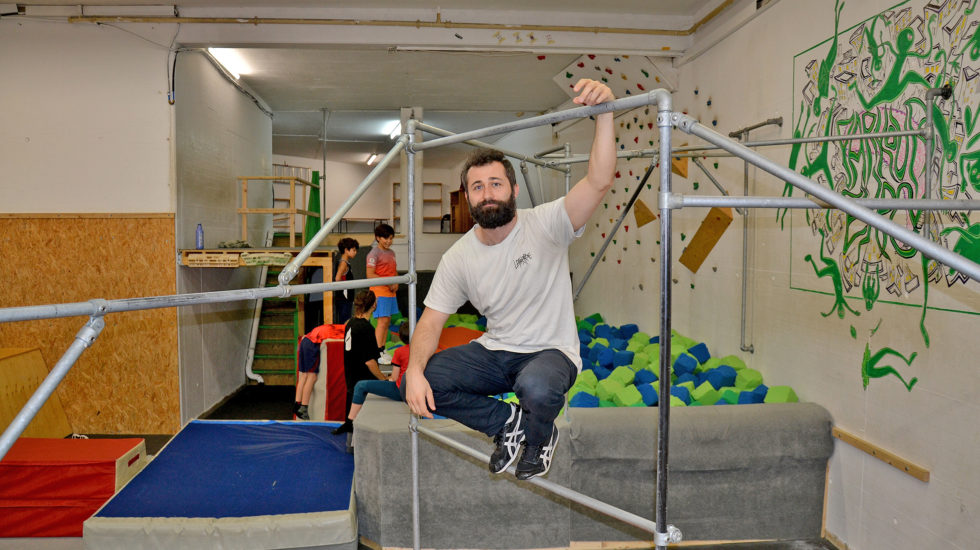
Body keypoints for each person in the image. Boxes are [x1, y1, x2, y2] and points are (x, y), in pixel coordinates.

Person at [403, 78, 615, 480]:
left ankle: (538, 440)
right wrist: (413, 372)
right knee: (424, 380)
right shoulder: (459, 256)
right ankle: (509, 424)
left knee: (537, 387)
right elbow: (431, 322)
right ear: (468, 198)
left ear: (514, 189)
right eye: (477, 187)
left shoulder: (548, 223)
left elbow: (599, 180)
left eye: (495, 184)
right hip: (497, 352)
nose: (487, 194)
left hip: (549, 353)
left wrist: (603, 116)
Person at [332, 321, 410, 433]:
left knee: (360, 385)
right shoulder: (424, 350)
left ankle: (350, 422)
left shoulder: (399, 352)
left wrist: (385, 379)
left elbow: (394, 377)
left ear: (401, 337)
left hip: (401, 392)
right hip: (415, 390)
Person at [333, 290, 387, 435]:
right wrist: (383, 379)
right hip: (361, 376)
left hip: (351, 372)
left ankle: (349, 428)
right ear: (374, 305)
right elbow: (370, 362)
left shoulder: (350, 323)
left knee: (351, 401)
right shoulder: (366, 328)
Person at [295, 323, 341, 420]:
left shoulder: (331, 326)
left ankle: (297, 404)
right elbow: (339, 338)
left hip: (305, 340)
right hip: (312, 344)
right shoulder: (340, 330)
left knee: (303, 375)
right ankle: (304, 407)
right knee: (312, 377)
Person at [366, 223, 399, 355]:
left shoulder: (391, 253)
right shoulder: (373, 253)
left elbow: (394, 271)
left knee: (387, 322)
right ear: (378, 238)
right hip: (380, 292)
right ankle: (377, 351)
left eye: (391, 238)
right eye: (386, 238)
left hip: (391, 293)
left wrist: (396, 282)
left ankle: (382, 349)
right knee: (382, 322)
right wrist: (389, 283)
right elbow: (370, 274)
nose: (389, 241)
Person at [333, 237, 360, 324]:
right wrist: (344, 288)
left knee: (345, 320)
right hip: (344, 299)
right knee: (344, 322)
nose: (355, 253)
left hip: (346, 299)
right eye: (354, 250)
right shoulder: (343, 263)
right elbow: (337, 278)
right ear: (346, 250)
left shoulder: (345, 262)